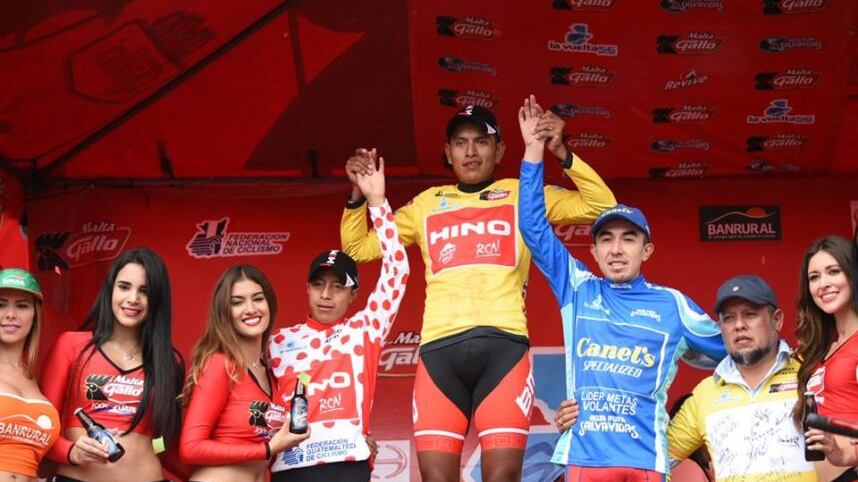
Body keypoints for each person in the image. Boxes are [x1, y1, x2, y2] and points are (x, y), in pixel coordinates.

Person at [341, 98, 616, 482]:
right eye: (460, 143)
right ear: (447, 152)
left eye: (481, 142)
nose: (470, 151)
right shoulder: (426, 204)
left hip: (504, 352)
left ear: (500, 150)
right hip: (439, 355)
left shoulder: (523, 194)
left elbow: (602, 206)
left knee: (502, 478)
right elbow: (358, 249)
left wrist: (562, 153)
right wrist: (357, 197)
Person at [517, 95, 726, 481]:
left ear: (646, 250)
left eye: (628, 239)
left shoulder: (673, 305)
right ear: (594, 251)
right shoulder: (578, 289)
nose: (616, 249)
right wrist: (533, 151)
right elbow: (533, 227)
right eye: (606, 239)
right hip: (585, 458)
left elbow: (737, 352)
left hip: (646, 461)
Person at [269, 157, 408, 481]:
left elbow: (397, 269)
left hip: (347, 466)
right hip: (290, 468)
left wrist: (377, 202)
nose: (326, 294)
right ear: (307, 289)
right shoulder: (276, 341)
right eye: (318, 285)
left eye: (337, 287)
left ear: (353, 294)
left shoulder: (365, 329)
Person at [40, 248, 186, 482]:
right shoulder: (71, 345)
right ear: (110, 289)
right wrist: (71, 452)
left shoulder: (169, 361)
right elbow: (41, 427)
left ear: (157, 299)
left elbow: (165, 444)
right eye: (124, 287)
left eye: (145, 291)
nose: (133, 299)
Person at [667, 275, 816, 481]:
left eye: (750, 314)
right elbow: (653, 460)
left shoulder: (810, 373)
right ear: (720, 328)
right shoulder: (704, 394)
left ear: (777, 320)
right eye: (728, 318)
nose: (739, 325)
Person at [179, 265, 309, 482]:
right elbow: (190, 448)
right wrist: (266, 449)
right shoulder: (221, 364)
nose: (250, 309)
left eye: (258, 299)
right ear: (225, 312)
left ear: (269, 304)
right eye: (237, 302)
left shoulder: (272, 372)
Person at [795, 236, 858, 482]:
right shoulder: (823, 350)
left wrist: (847, 454)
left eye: (833, 271)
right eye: (814, 277)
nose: (823, 284)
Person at [0, 269, 60, 482]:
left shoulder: (34, 378)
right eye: (1, 304)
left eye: (22, 306)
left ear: (35, 315)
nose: (10, 314)